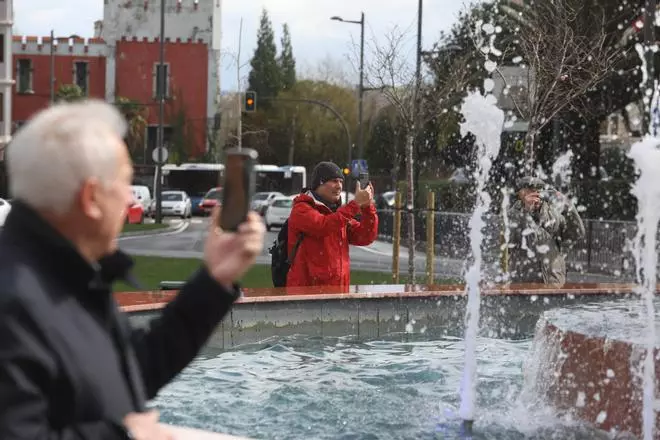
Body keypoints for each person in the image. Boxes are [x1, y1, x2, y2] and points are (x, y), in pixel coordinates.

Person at [0, 100, 265, 439]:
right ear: (91, 198)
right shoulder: (14, 304)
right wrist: (125, 436)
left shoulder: (64, 277)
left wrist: (215, 280)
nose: (129, 201)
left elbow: (132, 370)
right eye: (125, 185)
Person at [286, 161, 379, 289]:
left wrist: (367, 207)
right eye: (334, 181)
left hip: (338, 296)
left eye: (341, 182)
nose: (339, 186)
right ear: (320, 183)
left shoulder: (338, 214)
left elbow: (365, 236)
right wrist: (355, 204)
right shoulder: (302, 209)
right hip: (306, 298)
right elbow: (323, 226)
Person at [507, 176, 585, 287]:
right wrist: (526, 211)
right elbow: (510, 243)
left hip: (554, 282)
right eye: (530, 191)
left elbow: (577, 234)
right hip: (524, 283)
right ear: (520, 194)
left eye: (538, 190)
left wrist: (569, 207)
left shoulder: (553, 214)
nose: (535, 194)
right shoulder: (512, 215)